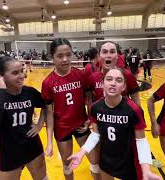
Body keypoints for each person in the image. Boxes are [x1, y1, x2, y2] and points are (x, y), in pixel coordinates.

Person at [68, 68, 162, 180]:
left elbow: (141, 141)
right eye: (109, 79)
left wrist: (146, 169)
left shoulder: (133, 110)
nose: (113, 83)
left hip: (129, 162)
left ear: (123, 87)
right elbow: (95, 134)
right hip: (106, 160)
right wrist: (81, 152)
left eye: (118, 80)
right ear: (102, 84)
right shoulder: (95, 108)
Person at [42, 38, 101, 180]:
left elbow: (89, 99)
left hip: (81, 125)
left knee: (95, 162)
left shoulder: (81, 75)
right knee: (67, 164)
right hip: (62, 128)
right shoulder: (48, 83)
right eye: (60, 56)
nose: (65, 59)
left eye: (68, 55)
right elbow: (48, 113)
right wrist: (49, 142)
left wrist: (90, 119)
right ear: (52, 57)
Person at [0, 57, 47, 180]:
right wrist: (2, 91)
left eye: (22, 71)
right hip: (8, 152)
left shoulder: (29, 92)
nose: (22, 76)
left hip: (32, 146)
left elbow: (47, 105)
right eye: (15, 73)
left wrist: (39, 124)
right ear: (1, 76)